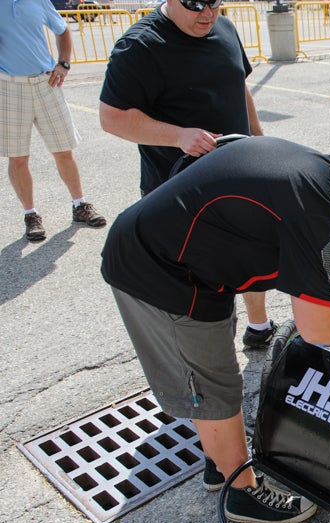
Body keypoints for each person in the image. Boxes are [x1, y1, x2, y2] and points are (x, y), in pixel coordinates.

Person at [101, 136, 330, 523]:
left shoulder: (323, 179)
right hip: (159, 273)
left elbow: (308, 270)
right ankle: (242, 493)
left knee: (216, 378)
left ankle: (219, 462)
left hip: (193, 266)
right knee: (212, 388)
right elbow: (317, 327)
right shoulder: (319, 211)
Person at [98, 0, 274, 352]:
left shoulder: (223, 27)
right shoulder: (140, 46)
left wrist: (256, 134)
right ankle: (212, 357)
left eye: (214, 3)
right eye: (195, 5)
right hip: (178, 193)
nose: (207, 14)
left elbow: (236, 82)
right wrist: (179, 136)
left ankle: (259, 325)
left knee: (252, 251)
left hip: (236, 178)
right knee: (202, 281)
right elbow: (112, 117)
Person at [1, 0, 106, 243]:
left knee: (63, 150)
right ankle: (31, 215)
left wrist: (64, 63)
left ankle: (80, 205)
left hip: (47, 82)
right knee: (17, 157)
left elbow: (62, 30)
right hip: (9, 86)